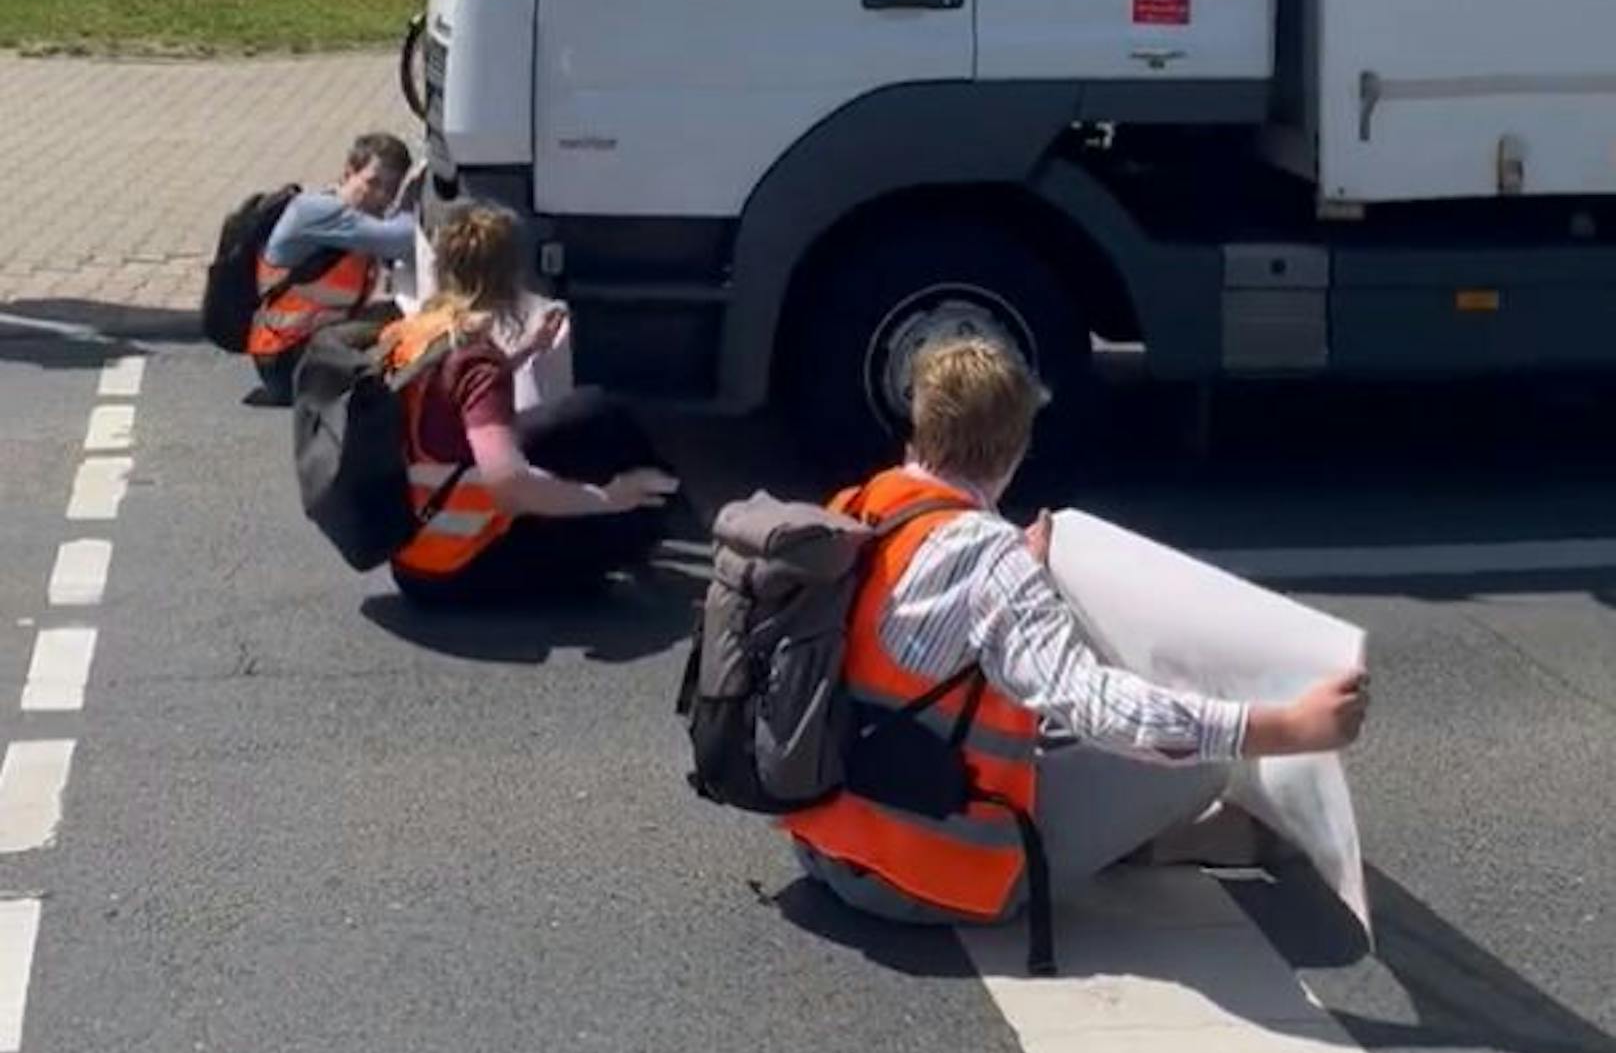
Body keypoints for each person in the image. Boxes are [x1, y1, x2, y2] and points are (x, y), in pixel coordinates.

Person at [784, 338, 1369, 931]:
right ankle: (1148, 843)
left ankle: (1128, 838)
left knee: (1036, 724)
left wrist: (1019, 574)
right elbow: (1095, 705)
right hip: (923, 873)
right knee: (1196, 755)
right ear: (1020, 445)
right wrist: (1287, 727)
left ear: (919, 423)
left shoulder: (862, 504)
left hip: (824, 844)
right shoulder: (990, 561)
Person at [379, 201, 678, 606]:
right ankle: (646, 512)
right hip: (457, 565)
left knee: (590, 409)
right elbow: (509, 484)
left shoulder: (409, 334)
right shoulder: (475, 363)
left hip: (409, 553)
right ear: (511, 276)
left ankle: (655, 499)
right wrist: (606, 499)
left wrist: (524, 351)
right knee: (610, 525)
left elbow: (444, 396)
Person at [248, 131, 415, 404]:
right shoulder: (322, 212)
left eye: (391, 188)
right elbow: (401, 239)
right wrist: (415, 196)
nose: (381, 196)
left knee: (393, 316)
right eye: (372, 183)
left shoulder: (348, 215)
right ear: (349, 172)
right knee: (406, 327)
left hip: (296, 346)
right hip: (287, 358)